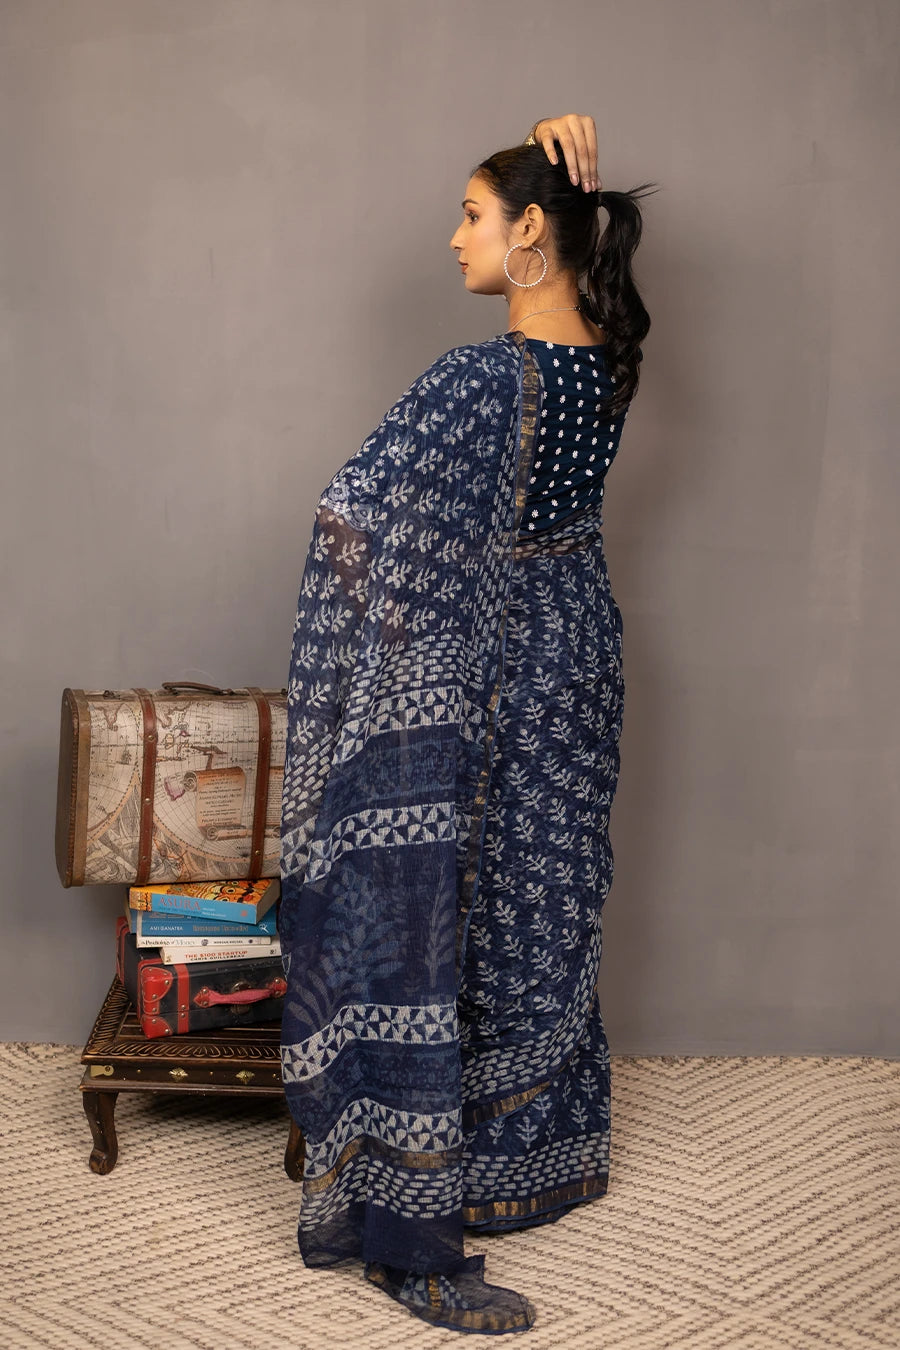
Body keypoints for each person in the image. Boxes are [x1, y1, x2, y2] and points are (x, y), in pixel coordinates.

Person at [278, 113, 657, 1334]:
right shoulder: (609, 361)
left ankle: (421, 1192)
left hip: (486, 669)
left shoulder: (476, 377)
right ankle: (531, 1162)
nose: (453, 240)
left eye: (473, 215)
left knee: (455, 902)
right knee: (543, 892)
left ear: (530, 229)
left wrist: (395, 655)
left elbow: (352, 516)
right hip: (580, 650)